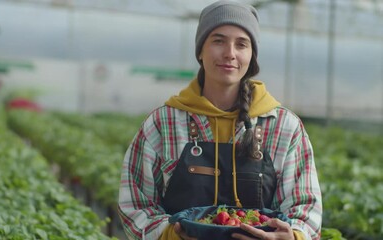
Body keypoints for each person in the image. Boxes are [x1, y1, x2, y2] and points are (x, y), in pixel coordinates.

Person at [118, 1, 322, 240]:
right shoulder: (164, 123)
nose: (230, 53)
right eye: (218, 41)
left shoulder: (283, 126)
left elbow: (306, 207)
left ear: (251, 56)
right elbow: (136, 202)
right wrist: (169, 235)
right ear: (200, 51)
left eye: (241, 44)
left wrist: (293, 236)